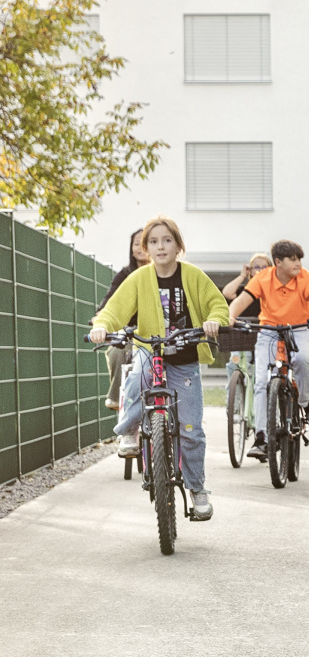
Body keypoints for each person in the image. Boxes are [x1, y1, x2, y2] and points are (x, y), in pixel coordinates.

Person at [89, 217, 231, 522]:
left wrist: (214, 321)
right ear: (146, 248)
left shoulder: (192, 275)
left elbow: (218, 305)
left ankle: (197, 488)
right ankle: (128, 431)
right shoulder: (139, 278)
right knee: (136, 377)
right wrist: (102, 326)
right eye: (153, 242)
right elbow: (113, 311)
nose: (160, 246)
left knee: (191, 431)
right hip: (150, 350)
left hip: (185, 361)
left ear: (178, 245)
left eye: (167, 240)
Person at [228, 239, 309, 460]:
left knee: (303, 360)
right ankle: (261, 437)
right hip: (270, 329)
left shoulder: (304, 277)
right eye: (293, 259)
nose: (298, 263)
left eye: (299, 259)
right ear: (278, 262)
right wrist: (230, 316)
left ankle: (308, 403)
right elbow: (240, 301)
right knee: (261, 381)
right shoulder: (263, 278)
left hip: (301, 327)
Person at [96, 229, 149, 410]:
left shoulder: (161, 273)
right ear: (131, 249)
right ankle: (117, 397)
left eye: (144, 243)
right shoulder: (125, 274)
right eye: (136, 244)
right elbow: (110, 300)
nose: (140, 248)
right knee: (117, 351)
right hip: (130, 329)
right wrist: (100, 319)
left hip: (157, 329)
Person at [220, 252, 270, 382]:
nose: (260, 270)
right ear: (250, 271)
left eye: (265, 267)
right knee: (236, 362)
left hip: (263, 333)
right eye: (257, 267)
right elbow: (227, 293)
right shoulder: (245, 291)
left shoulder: (272, 291)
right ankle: (234, 397)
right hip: (243, 335)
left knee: (263, 369)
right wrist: (242, 275)